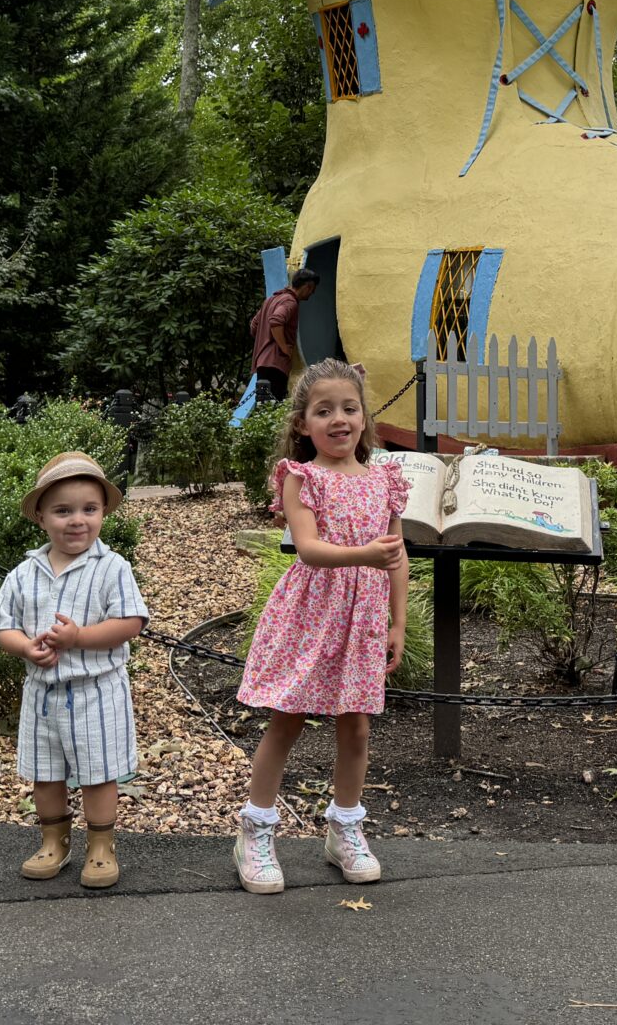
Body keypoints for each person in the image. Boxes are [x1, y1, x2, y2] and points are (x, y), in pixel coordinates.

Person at [232, 358, 409, 894]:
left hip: (364, 617)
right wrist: (365, 554)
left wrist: (397, 622)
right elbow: (308, 550)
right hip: (312, 614)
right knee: (287, 719)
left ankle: (345, 829)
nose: (339, 419)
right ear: (303, 424)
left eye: (349, 408)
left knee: (355, 725)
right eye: (324, 411)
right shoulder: (301, 478)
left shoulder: (385, 479)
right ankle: (255, 831)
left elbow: (397, 556)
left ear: (364, 417)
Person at [0, 452, 147, 888]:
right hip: (41, 694)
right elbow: (3, 626)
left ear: (102, 513)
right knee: (45, 772)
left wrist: (80, 638)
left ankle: (101, 845)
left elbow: (131, 623)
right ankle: (53, 839)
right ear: (41, 517)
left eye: (89, 510)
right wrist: (25, 646)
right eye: (63, 511)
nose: (77, 521)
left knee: (98, 773)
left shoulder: (112, 568)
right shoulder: (23, 575)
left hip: (96, 690)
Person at [251, 267, 320, 402]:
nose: (312, 293)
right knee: (274, 405)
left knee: (264, 408)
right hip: (276, 364)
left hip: (262, 363)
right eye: (313, 289)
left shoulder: (271, 299)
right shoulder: (290, 301)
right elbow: (276, 321)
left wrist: (265, 340)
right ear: (308, 286)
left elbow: (254, 326)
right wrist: (284, 348)